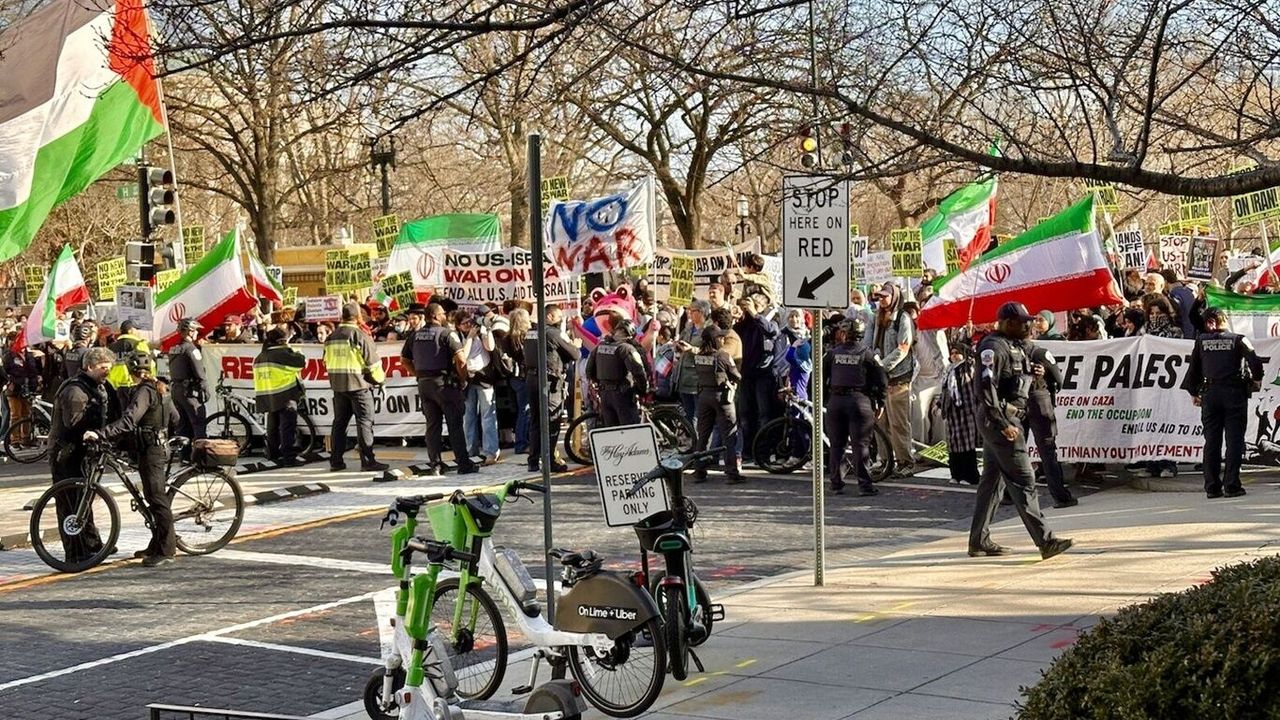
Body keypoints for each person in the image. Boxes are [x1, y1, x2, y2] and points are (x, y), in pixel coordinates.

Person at [968, 301, 1073, 560]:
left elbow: (1018, 380)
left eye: (1030, 320)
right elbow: (985, 387)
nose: (1029, 325)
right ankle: (1046, 541)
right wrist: (1002, 424)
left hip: (1007, 418)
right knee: (1024, 480)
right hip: (1002, 421)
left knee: (992, 482)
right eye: (1023, 321)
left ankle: (978, 541)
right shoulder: (993, 347)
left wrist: (1038, 373)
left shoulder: (1016, 346)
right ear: (1007, 323)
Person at [84, 351, 173, 567]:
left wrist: (102, 433)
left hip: (151, 450)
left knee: (156, 498)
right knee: (153, 497)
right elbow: (175, 417)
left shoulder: (144, 391)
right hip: (158, 446)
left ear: (131, 371)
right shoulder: (162, 388)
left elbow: (129, 421)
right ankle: (156, 542)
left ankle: (167, 550)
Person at [1183, 307, 1263, 499]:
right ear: (1224, 319)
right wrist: (1257, 380)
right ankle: (1232, 485)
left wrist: (1194, 392)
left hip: (1210, 394)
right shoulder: (1239, 339)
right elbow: (1255, 362)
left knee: (1211, 441)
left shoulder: (1201, 341)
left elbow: (1193, 368)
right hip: (1234, 394)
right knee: (1234, 441)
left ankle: (1212, 487)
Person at [48, 347, 117, 563]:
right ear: (89, 367)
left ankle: (92, 544)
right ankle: (76, 553)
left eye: (109, 368)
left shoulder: (98, 386)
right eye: (102, 368)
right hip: (66, 453)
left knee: (84, 499)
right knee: (70, 502)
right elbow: (74, 424)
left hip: (83, 452)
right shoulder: (75, 391)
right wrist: (93, 434)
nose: (107, 372)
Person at [403, 303, 479, 475]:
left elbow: (404, 360)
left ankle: (435, 465)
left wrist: (419, 375)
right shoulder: (447, 333)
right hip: (445, 385)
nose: (445, 316)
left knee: (432, 426)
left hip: (425, 385)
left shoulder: (415, 336)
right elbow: (461, 360)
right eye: (443, 313)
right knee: (455, 425)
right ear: (436, 316)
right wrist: (462, 379)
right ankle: (463, 465)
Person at [324, 302, 388, 472]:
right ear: (358, 316)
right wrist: (380, 381)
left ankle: (336, 461)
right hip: (359, 386)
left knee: (339, 423)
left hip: (338, 387)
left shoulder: (330, 337)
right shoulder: (359, 335)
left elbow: (325, 361)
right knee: (364, 423)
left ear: (342, 316)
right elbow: (373, 364)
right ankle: (368, 461)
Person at [824, 319, 885, 496]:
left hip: (836, 402)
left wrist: (826, 399)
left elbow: (817, 379)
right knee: (861, 445)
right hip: (860, 401)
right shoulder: (868, 354)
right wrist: (880, 402)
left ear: (843, 334)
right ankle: (864, 485)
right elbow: (881, 379)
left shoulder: (832, 354)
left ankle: (836, 483)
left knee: (836, 445)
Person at [524, 304, 578, 473]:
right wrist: (574, 344)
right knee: (552, 422)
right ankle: (550, 461)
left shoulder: (530, 332)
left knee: (536, 421)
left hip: (532, 378)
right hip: (549, 381)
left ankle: (533, 461)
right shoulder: (552, 333)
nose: (561, 319)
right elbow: (574, 354)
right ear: (548, 316)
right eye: (558, 316)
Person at [1023, 340, 1076, 508]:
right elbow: (1059, 379)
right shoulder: (1039, 353)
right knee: (1048, 450)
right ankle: (1060, 496)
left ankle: (1009, 495)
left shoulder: (1006, 352)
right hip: (1039, 401)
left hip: (1016, 404)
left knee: (1015, 451)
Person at [871, 282, 916, 476]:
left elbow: (903, 348)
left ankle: (906, 461)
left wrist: (882, 365)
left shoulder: (903, 318)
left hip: (898, 378)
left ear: (894, 297)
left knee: (898, 423)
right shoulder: (877, 318)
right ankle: (885, 460)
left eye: (884, 296)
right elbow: (870, 342)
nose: (881, 300)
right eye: (879, 297)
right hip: (880, 378)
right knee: (880, 423)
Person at [692, 326, 744, 484]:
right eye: (720, 337)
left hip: (703, 397)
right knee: (729, 434)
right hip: (721, 398)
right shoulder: (722, 355)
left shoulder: (698, 356)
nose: (722, 339)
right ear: (715, 339)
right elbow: (736, 375)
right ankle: (732, 473)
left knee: (703, 435)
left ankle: (699, 470)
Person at [253, 327, 307, 466]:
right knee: (287, 428)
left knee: (272, 427)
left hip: (268, 395)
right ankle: (289, 458)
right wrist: (295, 350)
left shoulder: (260, 356)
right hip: (285, 395)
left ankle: (273, 455)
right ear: (282, 340)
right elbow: (301, 362)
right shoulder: (282, 353)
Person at [586, 317, 649, 427]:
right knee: (630, 431)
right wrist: (643, 390)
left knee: (611, 432)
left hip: (604, 395)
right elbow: (638, 372)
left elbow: (589, 371)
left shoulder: (599, 347)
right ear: (630, 335)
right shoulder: (626, 349)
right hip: (623, 395)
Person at [457, 309, 500, 464]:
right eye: (465, 323)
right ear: (458, 326)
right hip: (467, 377)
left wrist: (486, 330)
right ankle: (471, 450)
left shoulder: (479, 332)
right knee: (469, 416)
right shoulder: (457, 336)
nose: (469, 325)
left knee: (488, 415)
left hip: (484, 376)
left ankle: (491, 451)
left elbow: (490, 347)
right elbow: (464, 355)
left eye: (470, 321)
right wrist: (469, 337)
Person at [941, 342, 980, 485]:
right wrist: (940, 404)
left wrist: (968, 337)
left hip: (966, 410)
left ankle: (969, 476)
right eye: (952, 353)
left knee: (967, 444)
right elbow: (945, 390)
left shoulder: (967, 367)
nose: (954, 356)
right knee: (953, 443)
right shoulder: (948, 370)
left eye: (957, 353)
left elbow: (972, 358)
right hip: (952, 412)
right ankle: (955, 474)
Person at [168, 318, 207, 445]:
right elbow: (199, 372)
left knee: (182, 425)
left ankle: (184, 457)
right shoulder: (191, 349)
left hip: (176, 390)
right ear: (190, 332)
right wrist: (205, 389)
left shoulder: (174, 349)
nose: (197, 334)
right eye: (196, 331)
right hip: (189, 391)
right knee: (198, 422)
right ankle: (200, 456)